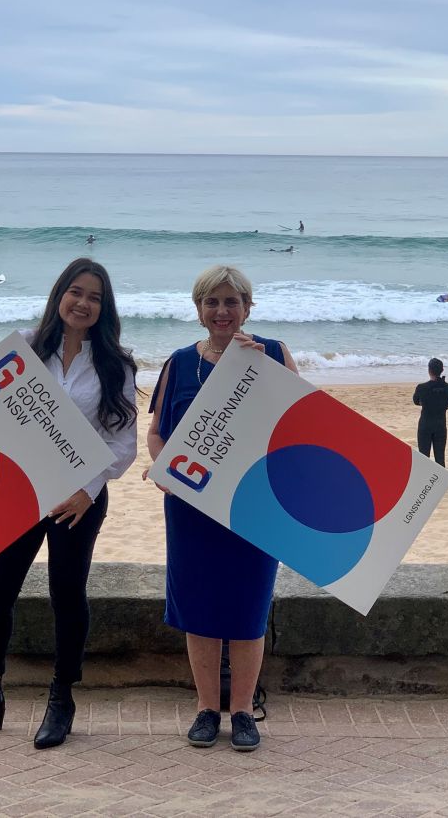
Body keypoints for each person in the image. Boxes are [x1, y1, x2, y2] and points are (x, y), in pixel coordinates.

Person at [0, 258, 138, 749]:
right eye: (76, 292)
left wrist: (86, 492)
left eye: (95, 297)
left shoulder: (116, 363)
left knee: (66, 594)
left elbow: (122, 442)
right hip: (20, 490)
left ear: (104, 308)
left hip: (78, 499)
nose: (83, 303)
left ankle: (61, 699)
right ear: (59, 295)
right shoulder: (24, 347)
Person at [147, 265, 296, 753]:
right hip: (192, 507)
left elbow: (301, 423)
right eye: (212, 302)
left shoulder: (272, 353)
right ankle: (207, 709)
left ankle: (244, 711)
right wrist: (164, 469)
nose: (222, 311)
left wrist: (264, 375)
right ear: (198, 310)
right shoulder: (178, 362)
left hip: (253, 503)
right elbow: (156, 434)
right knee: (200, 609)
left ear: (248, 308)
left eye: (232, 302)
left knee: (249, 610)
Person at [413, 358, 448, 467]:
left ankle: (424, 482)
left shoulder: (422, 388)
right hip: (440, 424)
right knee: (440, 458)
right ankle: (440, 483)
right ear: (442, 370)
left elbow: (416, 401)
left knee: (424, 458)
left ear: (429, 370)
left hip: (425, 425)